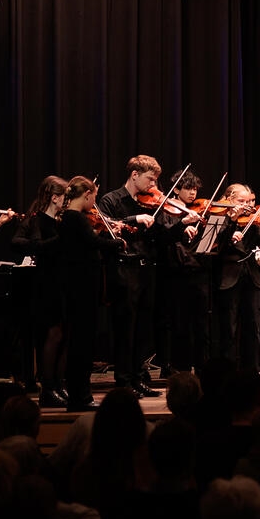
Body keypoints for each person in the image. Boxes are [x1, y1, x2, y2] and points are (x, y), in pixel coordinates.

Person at [96, 155, 165, 396]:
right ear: (135, 175)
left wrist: (180, 222)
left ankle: (139, 377)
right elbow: (103, 227)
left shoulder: (150, 202)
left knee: (144, 328)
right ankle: (123, 381)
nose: (153, 185)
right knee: (126, 327)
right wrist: (132, 218)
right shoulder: (111, 199)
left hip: (147, 270)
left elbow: (161, 236)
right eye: (150, 179)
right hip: (124, 270)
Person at [57, 176, 124, 409]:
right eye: (94, 197)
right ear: (87, 195)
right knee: (82, 344)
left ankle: (81, 395)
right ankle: (80, 396)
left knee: (82, 343)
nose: (94, 202)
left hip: (81, 288)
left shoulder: (70, 218)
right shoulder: (75, 218)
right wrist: (117, 243)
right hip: (82, 289)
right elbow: (92, 243)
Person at [11, 176, 69, 406]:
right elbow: (18, 243)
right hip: (46, 283)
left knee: (64, 335)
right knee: (53, 334)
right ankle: (48, 388)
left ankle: (59, 383)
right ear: (55, 198)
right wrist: (55, 243)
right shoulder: (37, 220)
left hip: (63, 282)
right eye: (64, 197)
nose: (66, 202)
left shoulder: (63, 221)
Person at [157, 168, 209, 376]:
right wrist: (182, 224)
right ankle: (179, 366)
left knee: (200, 323)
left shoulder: (196, 210)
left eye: (195, 189)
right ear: (176, 189)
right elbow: (164, 237)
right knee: (180, 323)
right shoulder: (166, 210)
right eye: (188, 188)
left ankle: (201, 365)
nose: (193, 193)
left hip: (197, 269)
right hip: (175, 272)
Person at [214, 183, 260, 373]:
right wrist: (231, 221)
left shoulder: (251, 220)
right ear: (229, 201)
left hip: (251, 277)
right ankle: (228, 372)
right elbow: (217, 245)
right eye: (241, 201)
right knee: (229, 329)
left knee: (253, 327)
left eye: (248, 201)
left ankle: (251, 371)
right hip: (228, 278)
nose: (246, 205)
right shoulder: (220, 218)